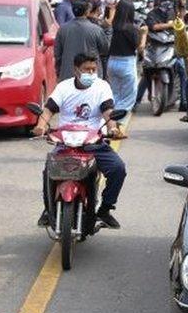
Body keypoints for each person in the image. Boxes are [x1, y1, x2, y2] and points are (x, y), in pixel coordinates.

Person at [32, 53, 126, 229]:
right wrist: (41, 126)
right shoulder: (64, 87)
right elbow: (48, 110)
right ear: (76, 70)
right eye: (86, 70)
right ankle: (48, 209)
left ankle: (105, 210)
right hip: (65, 143)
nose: (91, 73)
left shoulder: (102, 86)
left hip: (93, 142)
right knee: (48, 171)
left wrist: (113, 128)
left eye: (94, 69)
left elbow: (108, 111)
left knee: (118, 169)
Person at [54, 0, 110, 81]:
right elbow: (105, 50)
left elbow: (57, 55)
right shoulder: (96, 30)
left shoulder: (62, 30)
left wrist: (59, 73)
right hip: (90, 74)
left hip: (68, 75)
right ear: (87, 11)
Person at [106, 0, 145, 111]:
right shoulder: (131, 29)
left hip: (112, 62)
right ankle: (117, 122)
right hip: (126, 63)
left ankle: (111, 119)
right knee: (128, 98)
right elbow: (140, 47)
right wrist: (144, 35)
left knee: (115, 94)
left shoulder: (113, 26)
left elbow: (109, 22)